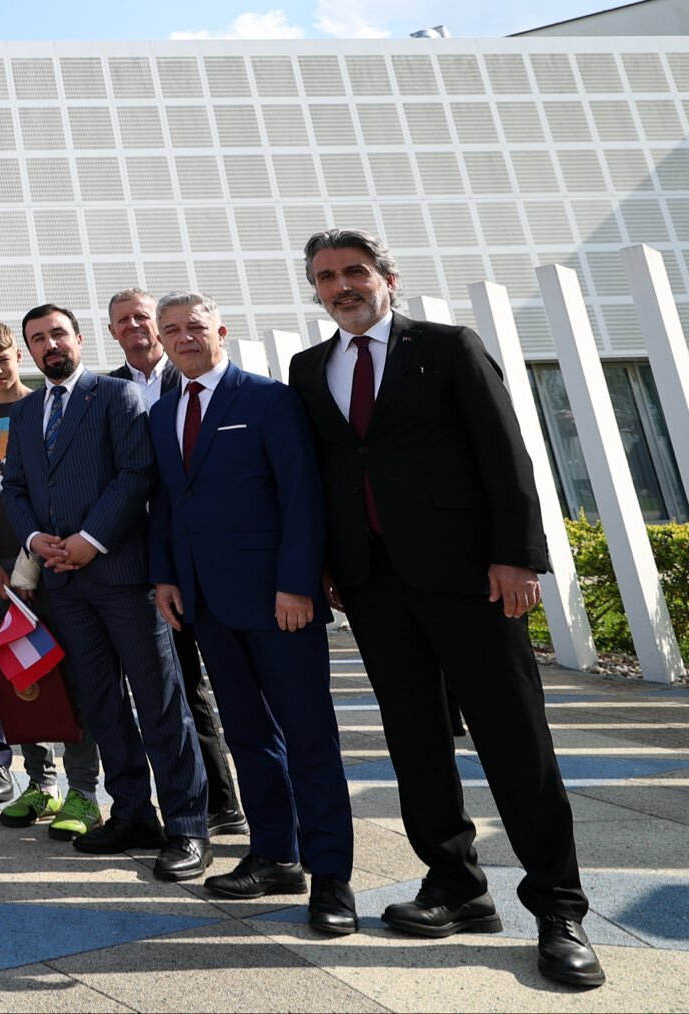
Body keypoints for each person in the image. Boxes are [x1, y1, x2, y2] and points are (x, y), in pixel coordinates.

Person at [289, 228, 603, 987]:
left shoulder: (449, 346)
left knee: (513, 740)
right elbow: (325, 473)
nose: (342, 286)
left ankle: (558, 906)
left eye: (355, 271)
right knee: (415, 740)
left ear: (387, 277)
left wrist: (519, 555)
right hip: (372, 584)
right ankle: (456, 887)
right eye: (327, 277)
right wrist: (328, 567)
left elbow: (507, 453)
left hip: (469, 579)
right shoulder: (308, 368)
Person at [147, 292, 356, 936]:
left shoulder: (267, 398)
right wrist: (164, 577)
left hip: (278, 603)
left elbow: (302, 496)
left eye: (195, 327)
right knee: (248, 735)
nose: (183, 338)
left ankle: (331, 879)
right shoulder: (161, 412)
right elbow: (165, 503)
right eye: (171, 330)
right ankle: (273, 854)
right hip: (206, 603)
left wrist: (298, 584)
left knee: (307, 736)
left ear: (221, 331)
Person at [0, 305, 213, 883]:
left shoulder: (116, 396)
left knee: (159, 700)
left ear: (79, 338)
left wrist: (91, 539)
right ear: (29, 350)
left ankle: (189, 826)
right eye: (37, 338)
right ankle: (132, 813)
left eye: (57, 334)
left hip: (120, 575)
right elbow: (12, 486)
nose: (49, 345)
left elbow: (136, 473)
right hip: (63, 585)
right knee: (101, 704)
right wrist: (34, 538)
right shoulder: (22, 414)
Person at [105, 288, 245, 836]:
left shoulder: (192, 376)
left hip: (204, 550)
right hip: (142, 553)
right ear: (113, 331)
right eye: (125, 321)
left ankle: (224, 801)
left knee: (211, 685)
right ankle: (196, 798)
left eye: (143, 317)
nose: (136, 326)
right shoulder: (109, 389)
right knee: (174, 680)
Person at [0, 321, 104, 832]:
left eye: (3, 359)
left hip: (52, 561)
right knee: (20, 677)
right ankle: (41, 785)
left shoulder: (42, 404)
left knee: (72, 677)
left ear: (18, 356)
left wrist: (38, 555)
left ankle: (83, 791)